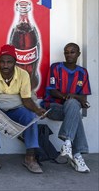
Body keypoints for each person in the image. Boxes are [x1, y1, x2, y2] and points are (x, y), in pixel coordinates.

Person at [0, 44, 47, 174]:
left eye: (9, 62)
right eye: (2, 62)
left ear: (15, 62)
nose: (5, 65)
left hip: (17, 107)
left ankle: (30, 158)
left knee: (31, 118)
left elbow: (26, 99)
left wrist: (37, 110)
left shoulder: (23, 75)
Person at [41, 42, 91, 173]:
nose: (69, 55)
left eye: (72, 52)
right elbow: (52, 91)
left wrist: (72, 96)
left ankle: (69, 145)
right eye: (66, 52)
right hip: (53, 107)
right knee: (74, 107)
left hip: (69, 110)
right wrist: (71, 97)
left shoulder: (83, 72)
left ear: (78, 54)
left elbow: (84, 99)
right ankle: (77, 153)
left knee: (73, 106)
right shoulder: (56, 67)